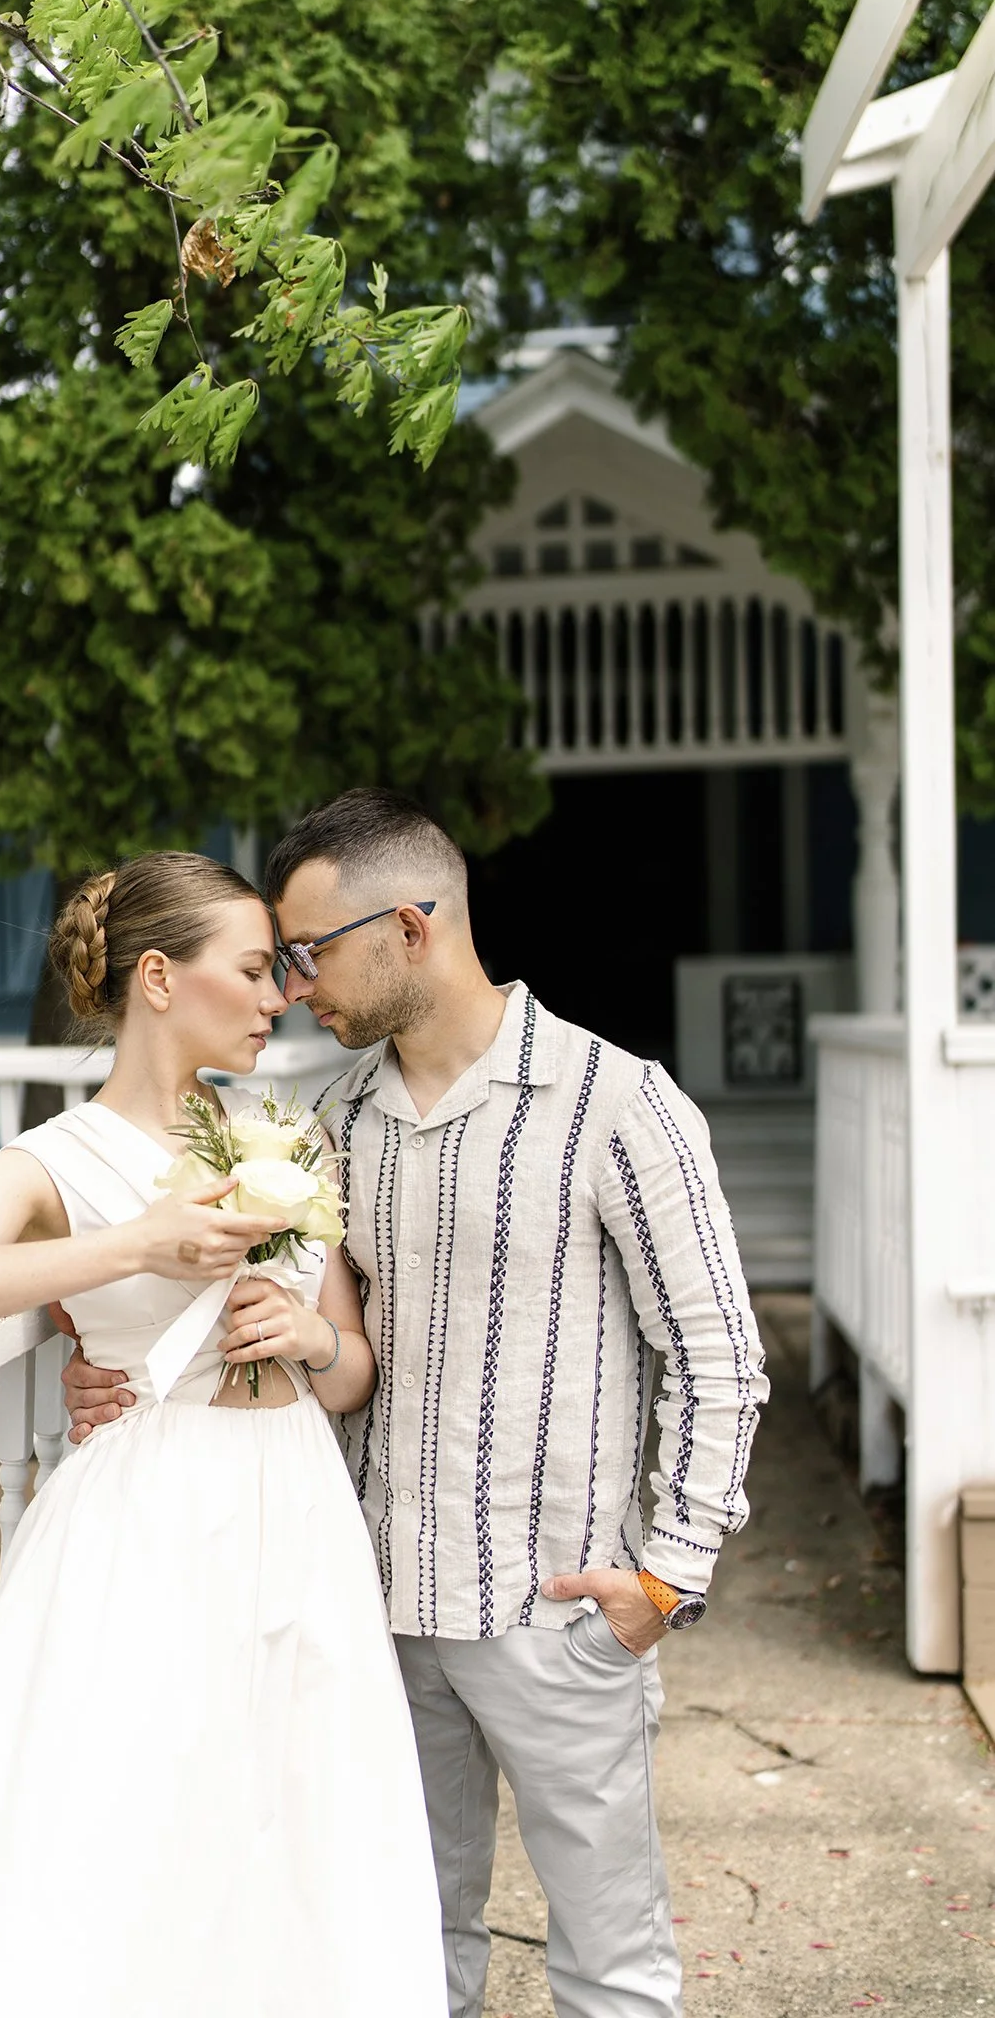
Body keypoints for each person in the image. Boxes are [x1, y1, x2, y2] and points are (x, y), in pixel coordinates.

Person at [65, 790, 770, 2018]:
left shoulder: (616, 1100)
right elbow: (313, 1347)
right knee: (404, 1952)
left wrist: (666, 1578)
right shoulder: (334, 1124)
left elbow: (719, 1358)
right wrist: (113, 1376)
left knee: (612, 1968)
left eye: (308, 951)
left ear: (410, 925)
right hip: (379, 1612)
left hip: (555, 1611)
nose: (293, 984)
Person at [0, 849, 448, 2018]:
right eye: (250, 970)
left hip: (294, 1495)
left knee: (305, 1815)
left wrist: (305, 1331)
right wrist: (133, 1246)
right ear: (156, 976)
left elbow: (351, 1373)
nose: (278, 995)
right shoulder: (56, 1159)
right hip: (151, 1508)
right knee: (143, 1811)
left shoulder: (283, 1138)